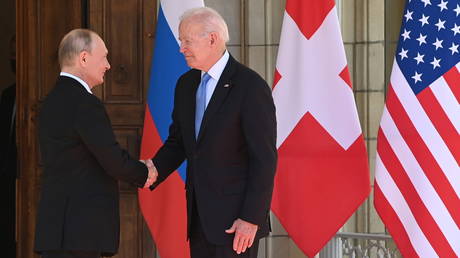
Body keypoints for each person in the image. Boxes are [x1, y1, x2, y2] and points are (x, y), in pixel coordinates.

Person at [148, 7, 277, 258]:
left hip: (236, 225)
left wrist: (250, 218)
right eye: (180, 41)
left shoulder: (249, 86)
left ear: (212, 39)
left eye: (187, 41)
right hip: (199, 221)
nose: (181, 48)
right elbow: (179, 142)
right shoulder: (185, 85)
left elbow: (264, 159)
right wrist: (153, 169)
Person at [34, 29, 157, 258]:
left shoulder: (51, 100)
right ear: (83, 58)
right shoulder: (84, 103)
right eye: (104, 57)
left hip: (56, 229)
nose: (108, 65)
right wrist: (145, 172)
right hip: (81, 231)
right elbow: (111, 158)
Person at [0, 34, 17, 258]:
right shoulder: (7, 96)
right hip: (6, 178)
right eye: (12, 52)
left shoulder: (48, 96)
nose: (14, 57)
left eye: (17, 52)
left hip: (28, 175)